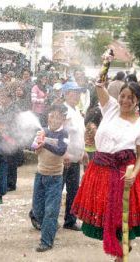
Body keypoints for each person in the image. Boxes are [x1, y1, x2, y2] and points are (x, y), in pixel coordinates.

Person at [72, 79, 140, 261]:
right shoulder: (110, 108)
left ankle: (121, 255)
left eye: (131, 98)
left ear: (138, 101)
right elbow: (99, 86)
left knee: (123, 220)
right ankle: (120, 252)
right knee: (105, 216)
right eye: (123, 96)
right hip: (100, 171)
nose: (125, 100)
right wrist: (104, 68)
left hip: (124, 175)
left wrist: (134, 174)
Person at [30, 104, 69, 252]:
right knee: (38, 211)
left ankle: (46, 241)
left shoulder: (64, 134)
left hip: (55, 177)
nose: (55, 119)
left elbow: (61, 150)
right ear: (48, 117)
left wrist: (45, 143)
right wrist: (38, 144)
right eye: (52, 116)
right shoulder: (42, 132)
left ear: (63, 120)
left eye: (58, 117)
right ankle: (50, 225)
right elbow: (33, 147)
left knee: (51, 211)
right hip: (40, 175)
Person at [62, 80, 88, 231]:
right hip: (65, 158)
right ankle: (38, 216)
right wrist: (64, 153)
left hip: (75, 159)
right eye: (74, 92)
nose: (77, 96)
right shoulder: (64, 110)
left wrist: (83, 151)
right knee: (56, 191)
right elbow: (60, 132)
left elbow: (79, 133)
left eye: (78, 93)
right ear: (66, 94)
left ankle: (70, 220)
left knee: (73, 191)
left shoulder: (77, 111)